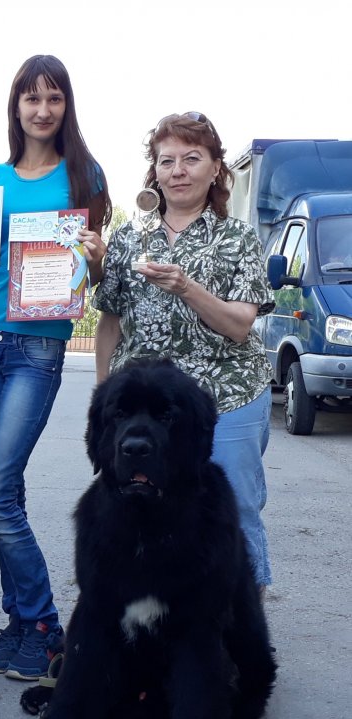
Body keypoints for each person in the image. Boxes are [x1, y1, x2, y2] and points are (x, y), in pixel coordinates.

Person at [0, 54, 111, 680]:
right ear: (15, 106)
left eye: (54, 98)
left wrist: (93, 259)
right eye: (30, 99)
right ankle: (19, 624)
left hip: (39, 349)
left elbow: (93, 279)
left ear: (67, 106)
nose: (42, 110)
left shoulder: (84, 177)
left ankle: (43, 624)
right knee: (3, 492)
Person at [93, 111, 275, 590]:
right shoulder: (131, 237)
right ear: (154, 170)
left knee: (231, 510)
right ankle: (158, 621)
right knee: (141, 506)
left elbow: (240, 326)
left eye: (192, 158)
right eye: (166, 160)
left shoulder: (237, 238)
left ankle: (242, 625)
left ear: (216, 168)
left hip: (228, 394)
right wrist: (104, 393)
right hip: (145, 405)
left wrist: (187, 287)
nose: (178, 170)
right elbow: (110, 318)